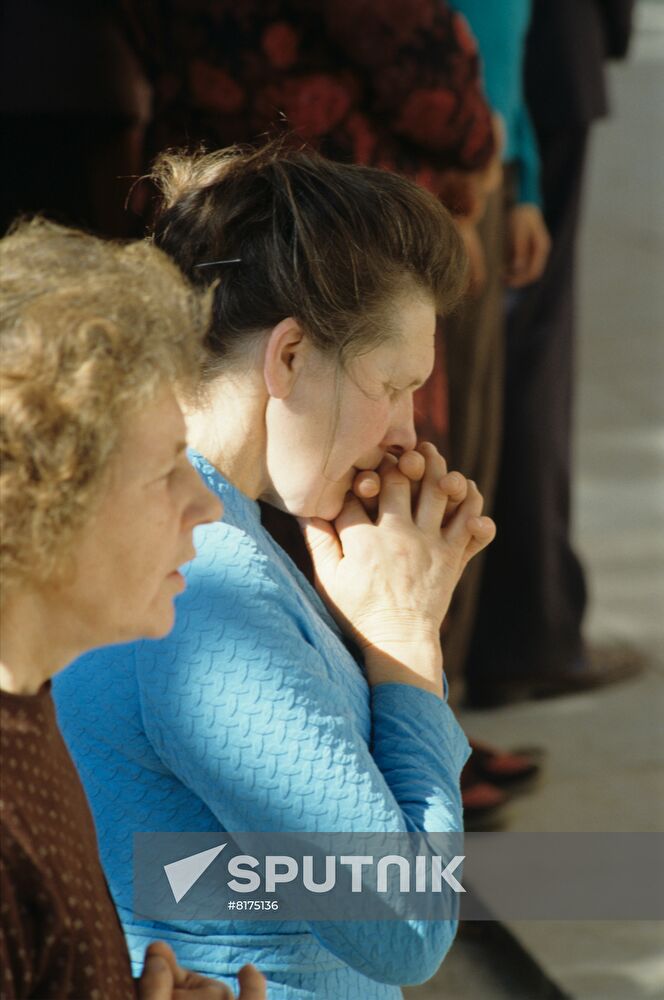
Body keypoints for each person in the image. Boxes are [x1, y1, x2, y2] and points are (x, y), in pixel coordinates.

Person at [54, 144, 496, 999]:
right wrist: (403, 644)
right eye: (392, 383)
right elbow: (403, 926)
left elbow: (195, 868)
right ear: (289, 356)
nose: (409, 432)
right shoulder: (199, 589)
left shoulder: (199, 533)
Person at [0, 217, 266, 999]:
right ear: (39, 498)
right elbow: (398, 916)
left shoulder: (26, 704)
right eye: (161, 472)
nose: (203, 506)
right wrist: (403, 636)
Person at [465, 0, 640, 705]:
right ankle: (520, 633)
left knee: (487, 379)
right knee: (503, 371)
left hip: (493, 113)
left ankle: (499, 636)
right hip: (454, 117)